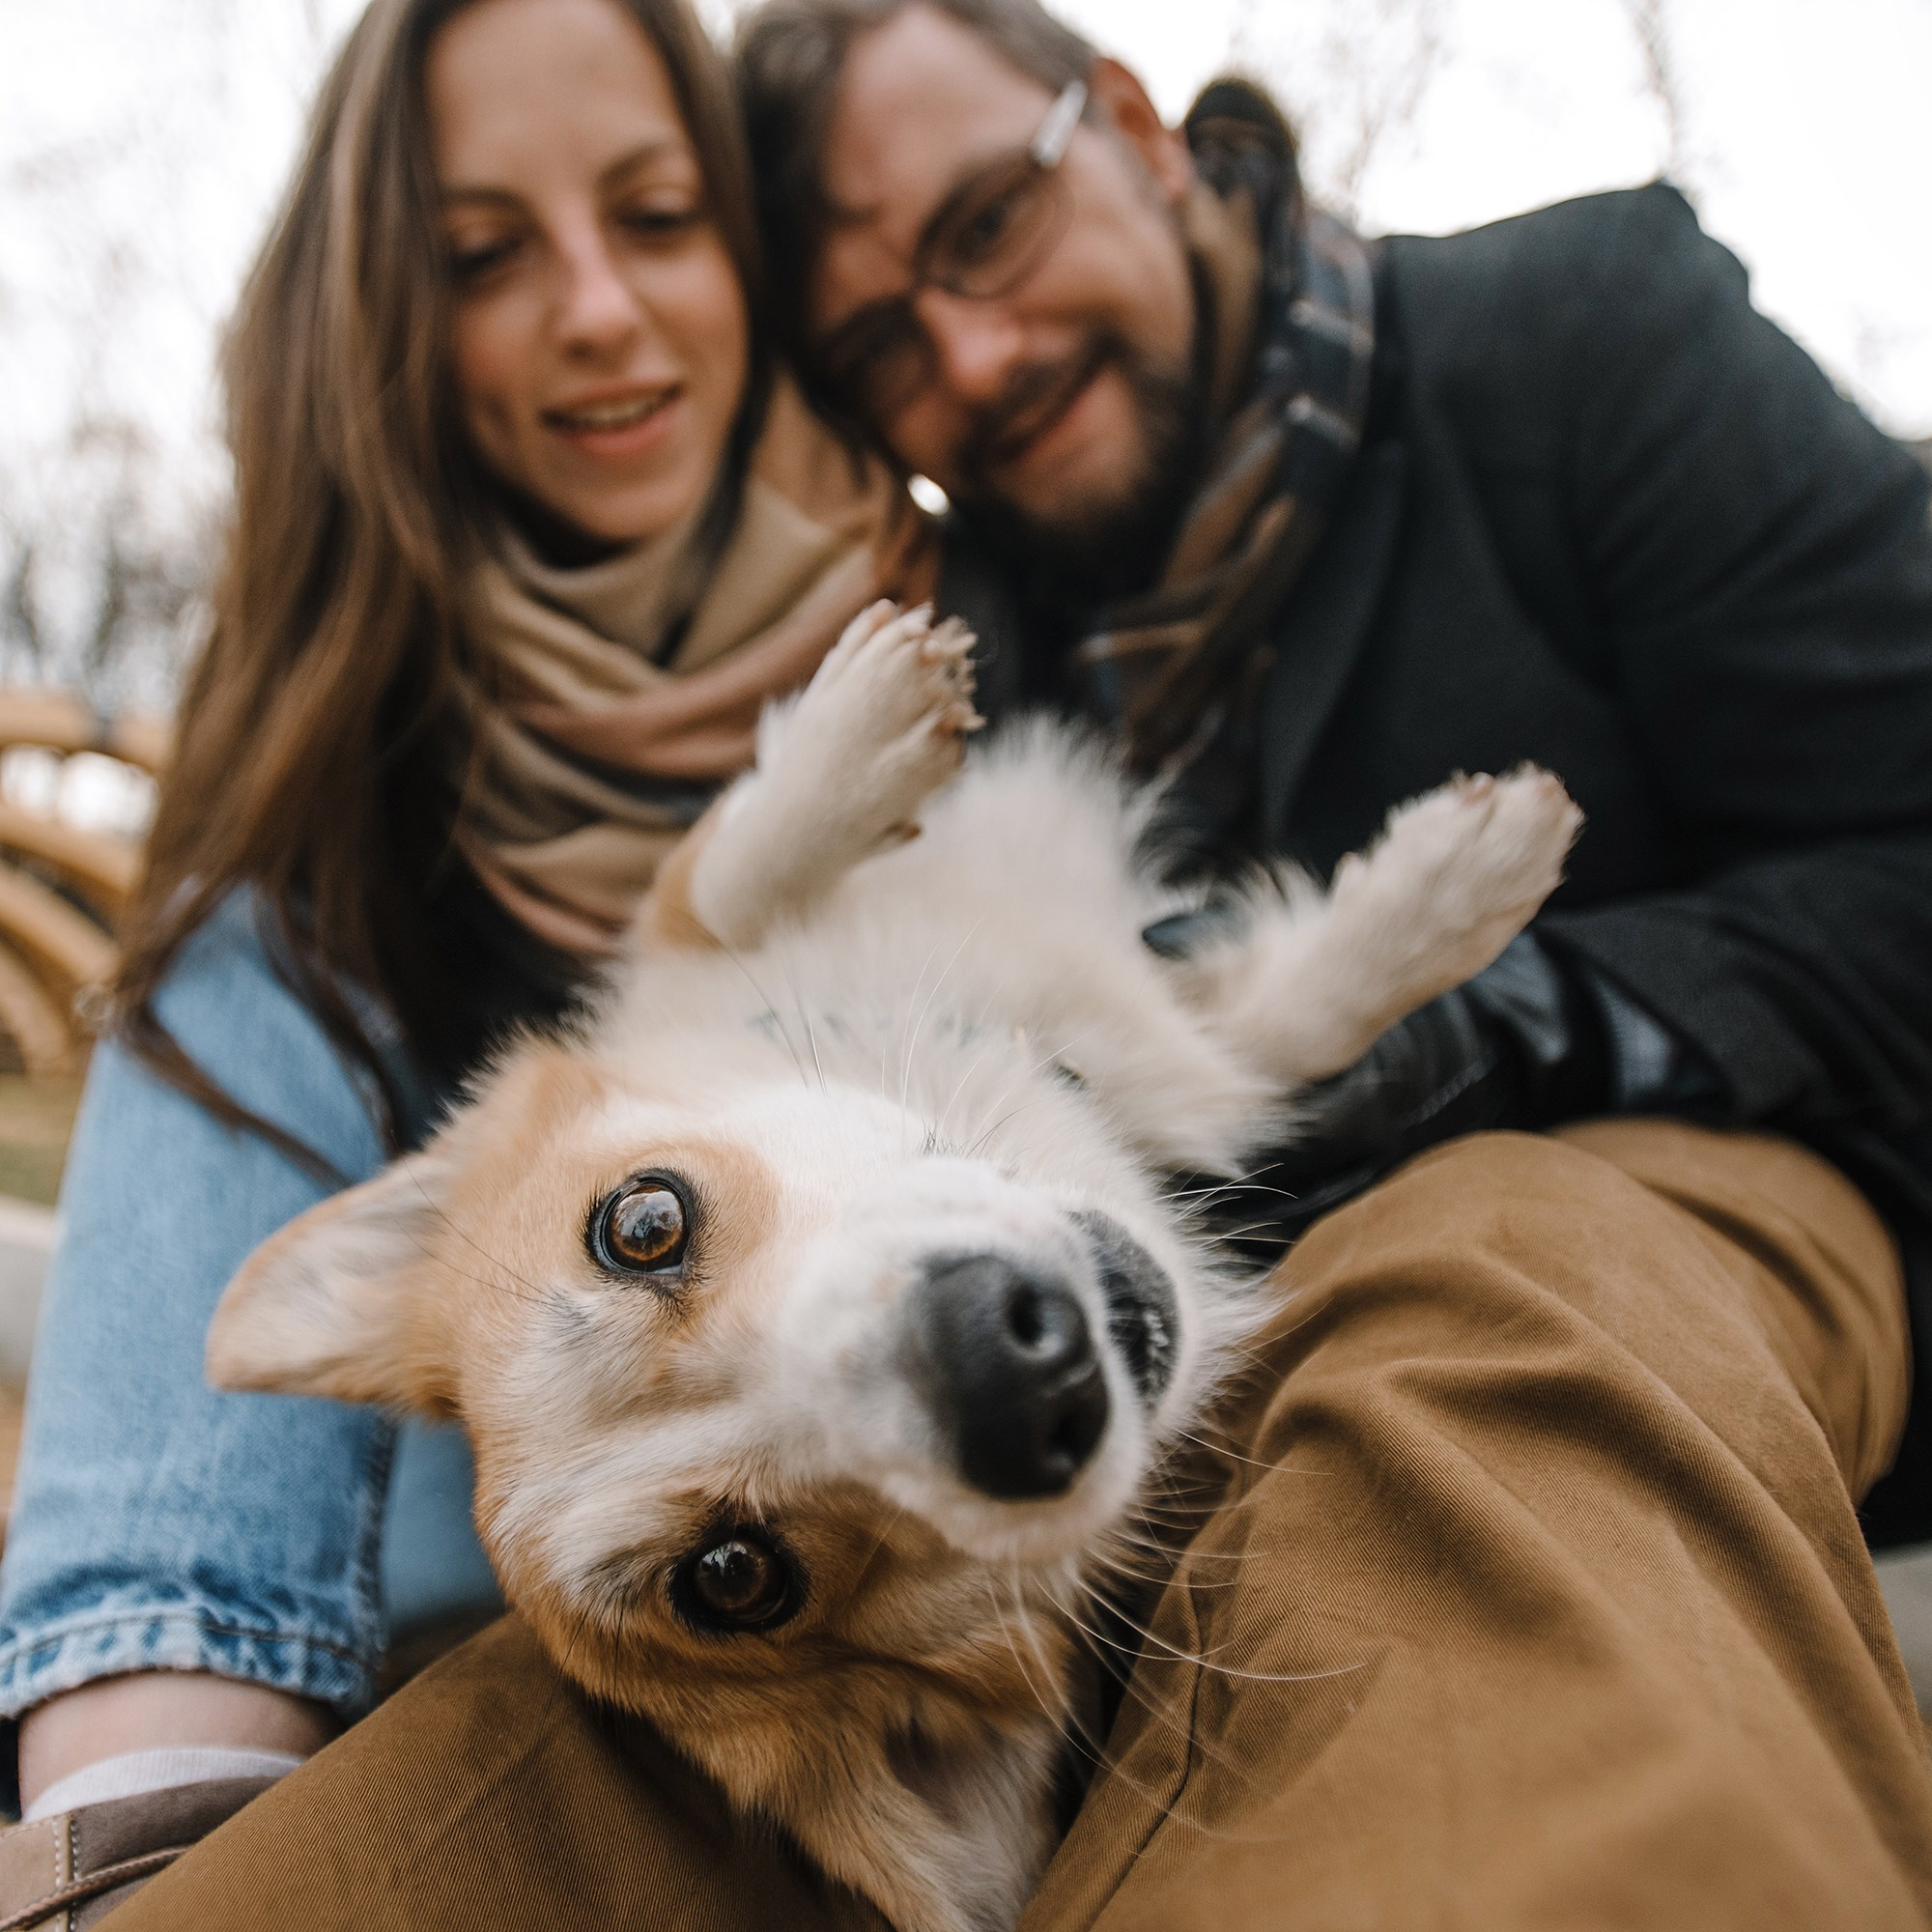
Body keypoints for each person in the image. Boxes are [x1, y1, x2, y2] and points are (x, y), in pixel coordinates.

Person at [18, 1, 1932, 1927]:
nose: (972, 356)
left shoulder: (1572, 335)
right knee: (638, 1700)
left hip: (1675, 1164)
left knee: (1484, 1278)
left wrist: (1465, 1031)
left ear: (1126, 118)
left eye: (987, 228)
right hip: (1047, 1393)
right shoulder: (972, 606)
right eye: (875, 342)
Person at [0, 0, 930, 1920]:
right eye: (485, 255)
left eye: (655, 216)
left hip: (935, 1618)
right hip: (471, 1716)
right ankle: (139, 1860)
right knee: (246, 948)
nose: (595, 308)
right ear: (392, 338)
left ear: (752, 256)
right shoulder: (333, 866)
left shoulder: (991, 661)